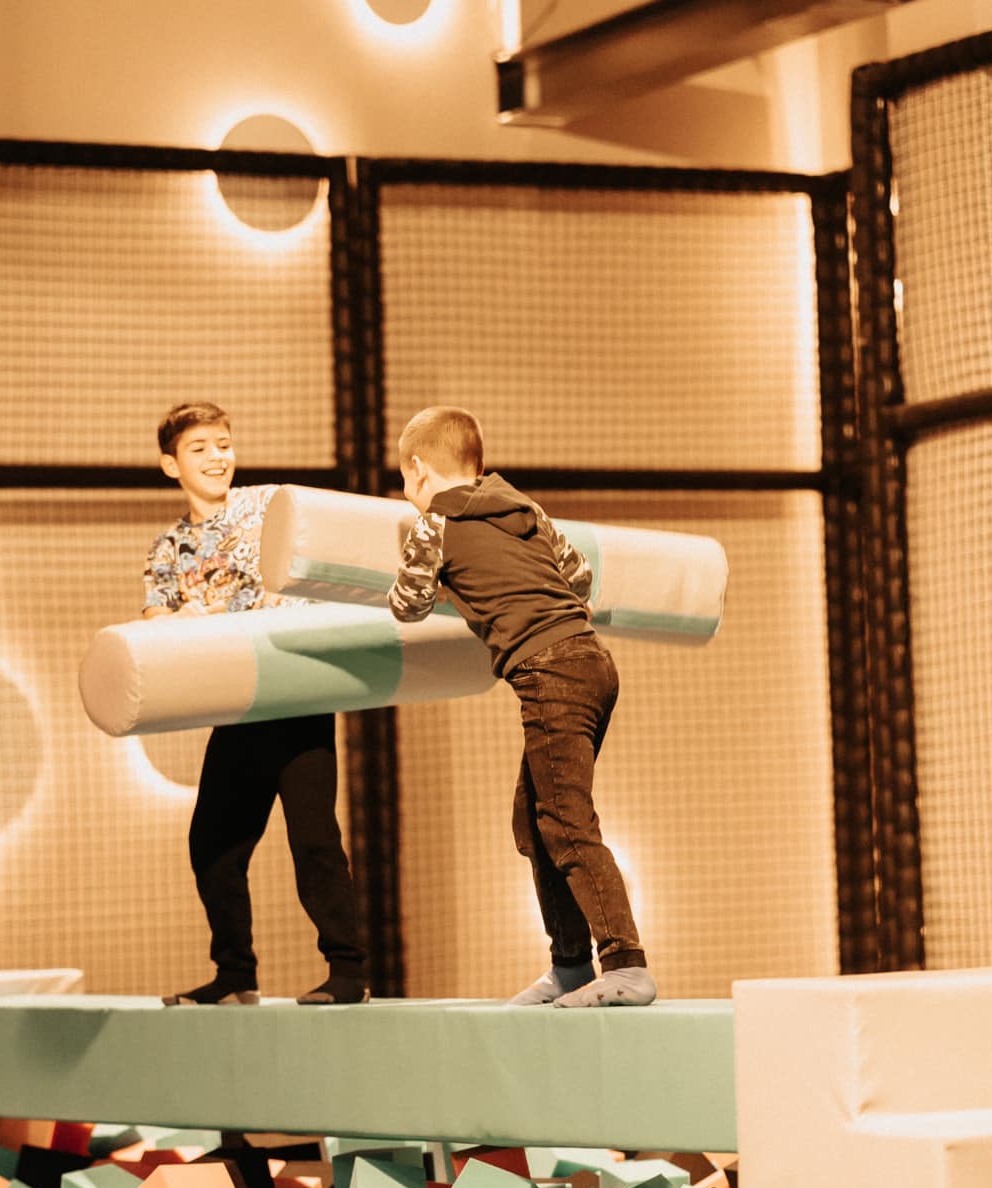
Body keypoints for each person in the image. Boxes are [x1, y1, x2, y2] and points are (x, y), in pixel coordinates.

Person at [389, 406, 654, 1008]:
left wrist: (449, 582)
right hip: (592, 662)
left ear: (419, 469)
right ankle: (569, 965)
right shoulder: (525, 509)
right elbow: (579, 578)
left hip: (548, 671)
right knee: (534, 823)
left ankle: (625, 963)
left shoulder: (434, 523)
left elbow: (408, 603)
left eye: (405, 478)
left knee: (566, 822)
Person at [143, 401, 368, 1006]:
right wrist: (189, 617)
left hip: (294, 695)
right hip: (239, 707)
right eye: (200, 448)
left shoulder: (268, 505)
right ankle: (235, 975)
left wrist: (251, 601)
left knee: (314, 840)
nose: (217, 457)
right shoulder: (169, 546)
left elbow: (312, 570)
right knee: (212, 845)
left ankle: (348, 972)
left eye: (224, 444)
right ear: (171, 465)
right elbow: (156, 619)